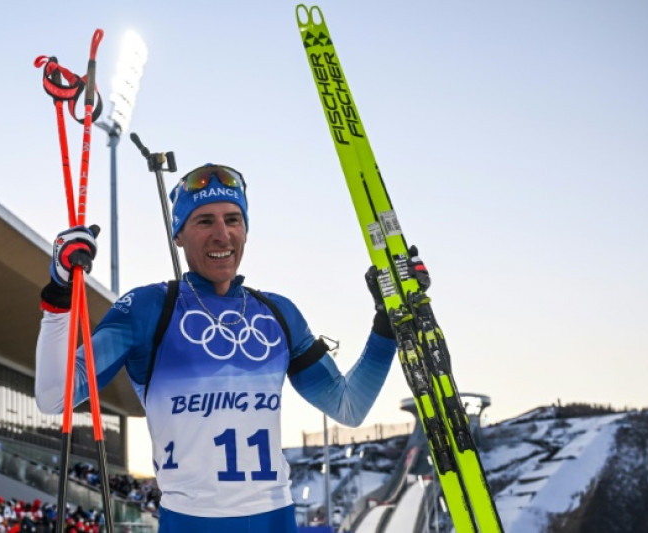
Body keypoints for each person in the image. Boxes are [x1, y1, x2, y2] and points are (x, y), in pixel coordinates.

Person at [35, 164, 429, 532]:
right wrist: (60, 292)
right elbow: (56, 396)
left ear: (245, 229)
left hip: (274, 516)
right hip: (191, 520)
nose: (222, 234)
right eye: (204, 220)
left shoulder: (278, 312)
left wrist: (385, 322)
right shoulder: (147, 308)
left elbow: (349, 407)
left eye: (233, 219)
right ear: (178, 235)